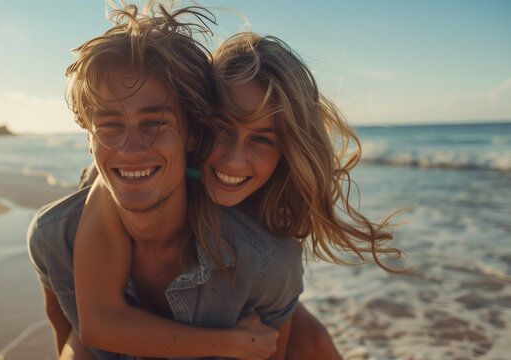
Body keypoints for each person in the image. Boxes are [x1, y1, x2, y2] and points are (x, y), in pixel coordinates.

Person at [69, 11, 405, 360]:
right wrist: (228, 343)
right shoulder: (133, 180)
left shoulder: (275, 229)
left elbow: (270, 336)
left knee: (315, 343)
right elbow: (96, 324)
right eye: (222, 129)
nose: (232, 159)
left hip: (260, 287)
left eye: (262, 140)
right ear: (196, 123)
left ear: (288, 149)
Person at [29, 3, 313, 360]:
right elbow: (83, 334)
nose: (131, 150)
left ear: (194, 133)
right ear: (88, 137)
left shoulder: (267, 264)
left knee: (314, 341)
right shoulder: (54, 241)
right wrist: (226, 343)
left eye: (154, 123)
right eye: (110, 125)